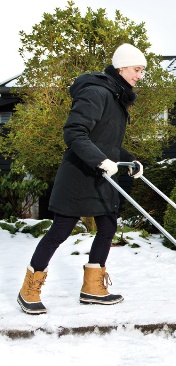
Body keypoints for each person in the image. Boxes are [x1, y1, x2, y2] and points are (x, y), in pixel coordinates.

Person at [17, 43, 147, 315]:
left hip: (101, 177)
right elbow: (75, 133)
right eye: (137, 69)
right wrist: (100, 161)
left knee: (108, 227)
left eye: (142, 71)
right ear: (121, 67)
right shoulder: (96, 92)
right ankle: (29, 289)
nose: (140, 76)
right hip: (78, 176)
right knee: (60, 231)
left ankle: (93, 288)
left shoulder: (116, 96)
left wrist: (130, 160)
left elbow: (107, 142)